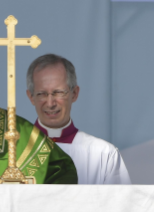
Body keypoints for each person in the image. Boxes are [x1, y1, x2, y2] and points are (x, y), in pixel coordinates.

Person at [26, 54, 131, 184]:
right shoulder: (13, 152)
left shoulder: (103, 154)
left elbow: (121, 203)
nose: (50, 103)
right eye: (41, 94)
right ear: (31, 97)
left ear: (74, 94)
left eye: (58, 92)